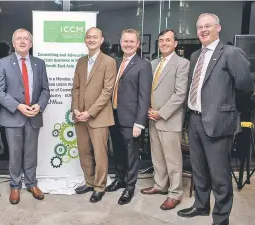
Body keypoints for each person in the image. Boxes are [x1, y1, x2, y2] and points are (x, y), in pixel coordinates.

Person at [177, 13, 253, 225]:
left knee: (219, 177)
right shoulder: (195, 56)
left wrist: (227, 110)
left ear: (218, 28)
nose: (203, 30)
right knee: (199, 170)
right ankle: (201, 206)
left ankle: (221, 219)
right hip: (194, 121)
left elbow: (245, 86)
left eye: (207, 26)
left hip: (218, 123)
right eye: (199, 26)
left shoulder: (231, 53)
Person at [0, 28, 50, 204]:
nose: (23, 41)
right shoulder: (3, 63)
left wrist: (39, 106)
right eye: (19, 38)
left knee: (31, 153)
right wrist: (18, 106)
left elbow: (45, 90)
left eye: (26, 39)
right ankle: (15, 186)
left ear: (31, 43)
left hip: (33, 116)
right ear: (13, 43)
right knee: (15, 154)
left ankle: (32, 183)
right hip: (13, 117)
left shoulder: (39, 63)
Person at [140, 29, 189, 210]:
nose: (164, 43)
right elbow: (147, 90)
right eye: (161, 40)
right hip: (152, 117)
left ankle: (175, 193)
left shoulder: (182, 64)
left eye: (168, 40)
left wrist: (161, 112)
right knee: (158, 156)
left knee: (173, 160)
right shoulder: (153, 64)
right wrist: (149, 110)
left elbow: (180, 94)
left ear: (175, 43)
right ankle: (160, 185)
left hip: (169, 119)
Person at [106, 29, 152, 205]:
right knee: (117, 150)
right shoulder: (115, 62)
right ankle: (120, 179)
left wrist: (139, 123)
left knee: (131, 154)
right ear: (121, 41)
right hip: (114, 115)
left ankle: (130, 186)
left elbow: (144, 96)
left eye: (132, 42)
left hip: (131, 119)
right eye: (125, 41)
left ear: (138, 44)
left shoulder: (143, 65)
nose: (128, 44)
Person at [72, 27, 116, 203]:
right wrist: (76, 109)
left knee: (100, 154)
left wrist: (89, 113)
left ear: (101, 40)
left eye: (95, 37)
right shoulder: (81, 62)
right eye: (88, 37)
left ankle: (99, 186)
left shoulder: (109, 61)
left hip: (98, 117)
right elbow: (75, 87)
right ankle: (89, 182)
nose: (91, 40)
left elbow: (107, 91)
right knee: (84, 152)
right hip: (79, 116)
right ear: (85, 40)